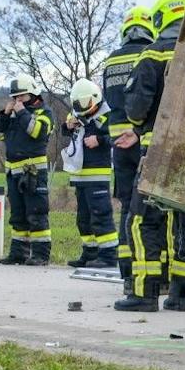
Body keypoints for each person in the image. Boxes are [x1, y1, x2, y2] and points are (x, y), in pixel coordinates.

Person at [114, 0, 185, 312]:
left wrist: (139, 125)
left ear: (159, 21)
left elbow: (136, 108)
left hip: (158, 154)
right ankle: (182, 296)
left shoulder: (152, 56)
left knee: (143, 220)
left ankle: (144, 293)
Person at [102, 5, 156, 284]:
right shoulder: (149, 55)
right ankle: (147, 267)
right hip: (144, 137)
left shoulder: (111, 60)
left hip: (117, 142)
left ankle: (126, 269)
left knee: (125, 203)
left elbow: (110, 99)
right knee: (150, 206)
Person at [0, 74, 55, 265]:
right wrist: (4, 115)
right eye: (15, 97)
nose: (18, 101)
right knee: (18, 215)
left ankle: (40, 254)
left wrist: (21, 112)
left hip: (33, 171)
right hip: (13, 171)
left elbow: (36, 132)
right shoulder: (14, 115)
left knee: (36, 213)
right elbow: (0, 136)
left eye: (22, 97)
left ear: (33, 94)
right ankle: (18, 252)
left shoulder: (44, 113)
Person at [62, 78, 116, 269]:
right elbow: (65, 132)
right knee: (83, 219)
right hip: (79, 175)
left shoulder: (107, 115)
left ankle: (109, 254)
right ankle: (90, 252)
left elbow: (116, 138)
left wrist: (99, 140)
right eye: (79, 104)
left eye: (86, 103)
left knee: (101, 215)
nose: (83, 108)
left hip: (97, 175)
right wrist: (68, 126)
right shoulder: (77, 113)